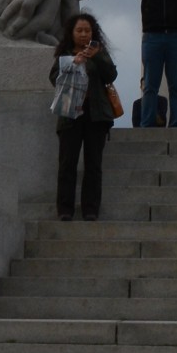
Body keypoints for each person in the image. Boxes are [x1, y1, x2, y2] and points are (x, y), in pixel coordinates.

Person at [52, 11, 118, 221]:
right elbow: (54, 78)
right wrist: (73, 63)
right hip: (71, 113)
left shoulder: (99, 52)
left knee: (93, 165)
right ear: (71, 33)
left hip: (96, 114)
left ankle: (90, 209)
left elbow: (111, 75)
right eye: (79, 30)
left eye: (87, 30)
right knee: (67, 164)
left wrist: (96, 56)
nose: (83, 34)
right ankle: (65, 209)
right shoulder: (65, 54)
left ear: (93, 32)